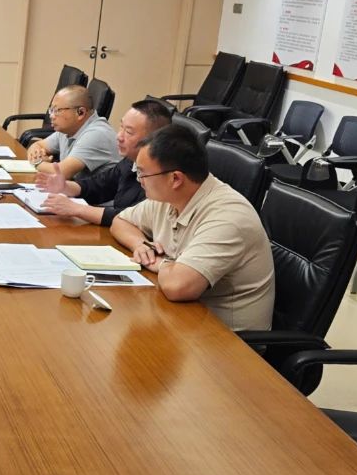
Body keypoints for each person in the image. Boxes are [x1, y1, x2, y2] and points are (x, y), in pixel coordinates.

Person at [110, 125, 275, 331]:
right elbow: (121, 222)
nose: (139, 180)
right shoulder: (170, 196)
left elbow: (177, 286)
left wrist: (159, 262)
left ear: (175, 179)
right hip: (181, 320)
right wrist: (141, 245)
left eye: (143, 174)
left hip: (226, 340)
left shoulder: (228, 216)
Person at [35, 99, 172, 225]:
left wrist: (77, 209)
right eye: (121, 127)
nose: (119, 136)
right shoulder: (130, 161)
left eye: (129, 132)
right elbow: (101, 185)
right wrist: (66, 187)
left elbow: (132, 218)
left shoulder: (159, 176)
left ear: (153, 139)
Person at [26, 85, 120, 178]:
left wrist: (37, 162)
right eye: (51, 110)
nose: (51, 116)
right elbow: (38, 145)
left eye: (57, 110)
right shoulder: (68, 129)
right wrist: (36, 155)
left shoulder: (96, 134)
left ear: (80, 113)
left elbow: (61, 172)